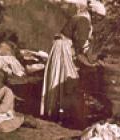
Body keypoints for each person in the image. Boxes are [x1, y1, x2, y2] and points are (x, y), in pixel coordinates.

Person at [40, 0, 106, 128]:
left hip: (63, 47)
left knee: (61, 78)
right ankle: (58, 113)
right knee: (66, 79)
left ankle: (56, 112)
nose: (99, 20)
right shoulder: (83, 21)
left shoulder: (83, 19)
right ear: (94, 14)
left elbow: (81, 45)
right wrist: (91, 63)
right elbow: (80, 46)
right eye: (99, 17)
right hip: (62, 49)